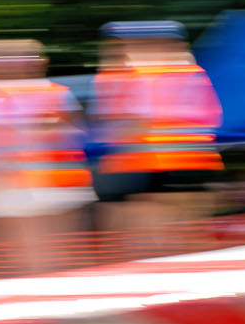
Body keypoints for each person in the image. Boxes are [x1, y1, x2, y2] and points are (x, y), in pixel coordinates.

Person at [0, 40, 93, 269]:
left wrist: (47, 130)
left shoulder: (51, 93)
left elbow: (76, 137)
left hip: (44, 190)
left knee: (43, 257)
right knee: (10, 260)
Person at [90, 20, 224, 230]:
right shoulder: (189, 73)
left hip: (164, 164)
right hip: (161, 164)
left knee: (164, 226)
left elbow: (137, 121)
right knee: (177, 226)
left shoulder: (149, 74)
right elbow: (213, 118)